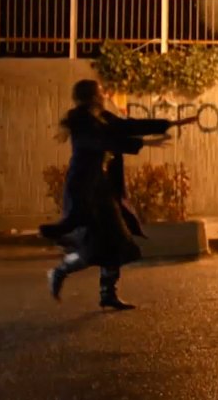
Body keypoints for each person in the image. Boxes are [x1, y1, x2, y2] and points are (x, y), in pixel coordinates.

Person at [41, 79, 194, 310]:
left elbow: (127, 126)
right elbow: (103, 141)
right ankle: (60, 271)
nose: (105, 95)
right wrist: (144, 144)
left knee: (116, 241)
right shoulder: (82, 121)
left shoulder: (103, 117)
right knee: (95, 248)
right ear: (93, 96)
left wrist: (168, 123)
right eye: (101, 92)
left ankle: (107, 293)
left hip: (103, 188)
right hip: (86, 191)